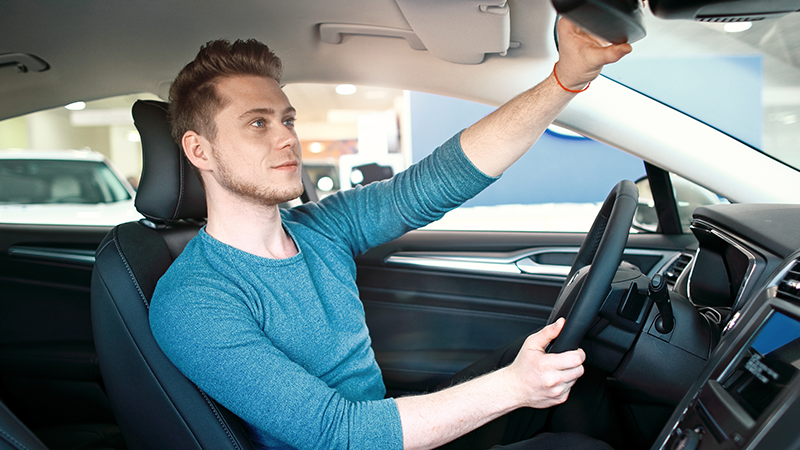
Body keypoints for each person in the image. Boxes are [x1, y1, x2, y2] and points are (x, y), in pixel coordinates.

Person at [149, 17, 631, 450]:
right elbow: (339, 434)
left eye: (287, 119)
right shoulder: (194, 299)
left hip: (384, 427)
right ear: (199, 150)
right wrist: (515, 386)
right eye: (258, 123)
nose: (287, 137)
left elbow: (437, 180)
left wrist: (566, 79)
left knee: (573, 371)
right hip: (356, 441)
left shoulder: (321, 228)